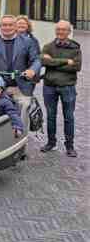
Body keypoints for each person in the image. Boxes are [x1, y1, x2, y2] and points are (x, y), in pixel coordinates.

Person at [40, 20, 82, 157]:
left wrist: (52, 62)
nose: (61, 32)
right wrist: (64, 61)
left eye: (64, 29)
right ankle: (51, 143)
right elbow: (43, 61)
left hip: (68, 87)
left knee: (68, 117)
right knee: (51, 116)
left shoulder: (75, 48)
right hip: (49, 87)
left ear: (69, 31)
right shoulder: (48, 46)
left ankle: (69, 146)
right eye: (58, 29)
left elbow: (76, 67)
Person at [16, 15, 41, 95]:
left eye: (24, 23)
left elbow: (37, 58)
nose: (21, 25)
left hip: (27, 77)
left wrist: (34, 74)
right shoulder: (10, 39)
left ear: (28, 26)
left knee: (25, 99)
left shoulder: (33, 40)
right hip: (13, 75)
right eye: (19, 23)